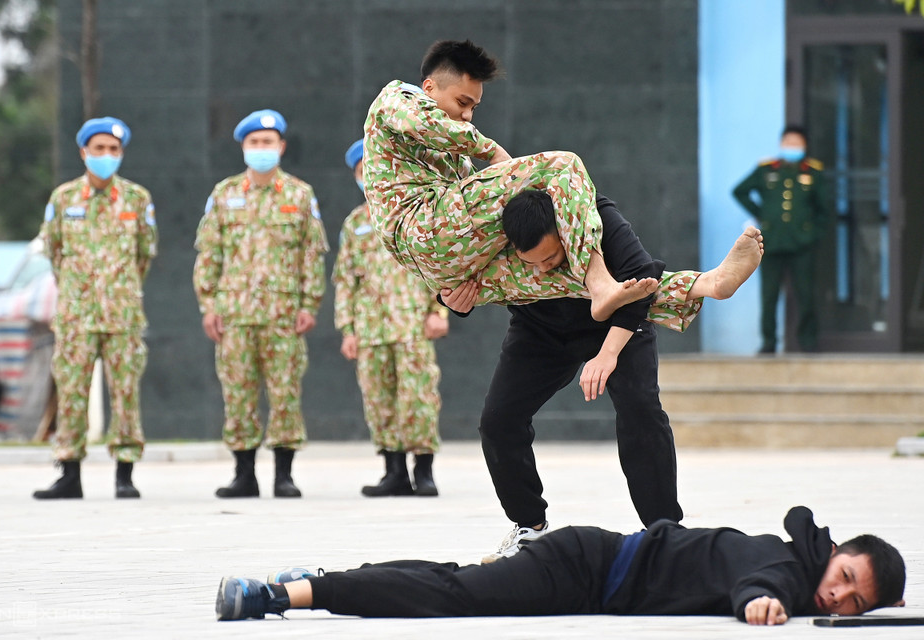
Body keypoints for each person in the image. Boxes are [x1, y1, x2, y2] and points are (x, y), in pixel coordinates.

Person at [440, 190, 762, 561]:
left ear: (566, 233)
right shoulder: (488, 231)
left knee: (640, 408)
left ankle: (664, 533)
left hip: (617, 317)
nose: (542, 268)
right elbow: (453, 272)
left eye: (549, 257)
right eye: (533, 262)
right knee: (498, 421)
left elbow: (642, 280)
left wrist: (607, 354)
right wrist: (451, 300)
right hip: (539, 325)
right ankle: (530, 528)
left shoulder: (597, 216)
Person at [362, 40, 660, 321]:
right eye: (462, 102)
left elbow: (483, 209)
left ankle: (691, 287)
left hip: (447, 265)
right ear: (429, 87)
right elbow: (426, 124)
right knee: (562, 165)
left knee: (557, 271)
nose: (467, 115)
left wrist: (446, 297)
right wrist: (492, 151)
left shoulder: (458, 161)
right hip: (422, 229)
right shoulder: (397, 97)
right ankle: (599, 283)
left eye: (474, 108)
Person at [214, 506, 906, 626]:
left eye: (853, 602)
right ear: (838, 552)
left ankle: (331, 576)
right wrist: (761, 604)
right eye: (844, 576)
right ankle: (281, 594)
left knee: (454, 580)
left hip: (591, 574)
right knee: (454, 596)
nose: (836, 596)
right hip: (587, 565)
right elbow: (759, 585)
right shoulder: (782, 564)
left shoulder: (797, 569)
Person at [193, 109, 328, 498]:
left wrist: (309, 305)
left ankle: (284, 474)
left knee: (285, 392)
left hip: (283, 315)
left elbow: (311, 255)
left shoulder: (300, 195)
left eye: (268, 142)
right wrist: (208, 306)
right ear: (243, 148)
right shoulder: (224, 194)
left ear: (281, 147)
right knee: (237, 392)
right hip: (234, 315)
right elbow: (209, 255)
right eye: (254, 143)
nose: (261, 149)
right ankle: (243, 474)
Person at [33, 117, 157, 500]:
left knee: (125, 393)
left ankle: (125, 474)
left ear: (121, 154)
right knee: (72, 392)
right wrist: (79, 289)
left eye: (113, 150)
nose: (106, 156)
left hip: (122, 314)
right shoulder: (63, 199)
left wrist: (118, 289)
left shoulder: (137, 199)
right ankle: (69, 473)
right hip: (76, 315)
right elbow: (54, 253)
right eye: (99, 149)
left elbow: (144, 255)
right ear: (83, 152)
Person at [332, 139, 448, 497]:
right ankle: (393, 471)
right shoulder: (355, 224)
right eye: (362, 170)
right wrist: (347, 329)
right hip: (370, 328)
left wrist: (439, 311)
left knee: (419, 397)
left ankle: (424, 472)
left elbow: (441, 266)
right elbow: (345, 279)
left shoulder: (417, 213)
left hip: (412, 324)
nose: (370, 176)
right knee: (379, 399)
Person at [732, 125, 828, 354]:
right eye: (788, 142)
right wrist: (761, 214)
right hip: (771, 242)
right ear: (781, 144)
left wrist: (812, 234)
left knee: (805, 293)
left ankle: (807, 341)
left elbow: (824, 210)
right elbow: (740, 191)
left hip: (801, 243)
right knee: (769, 295)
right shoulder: (767, 169)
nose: (792, 147)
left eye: (797, 143)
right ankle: (768, 342)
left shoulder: (812, 172)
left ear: (804, 146)